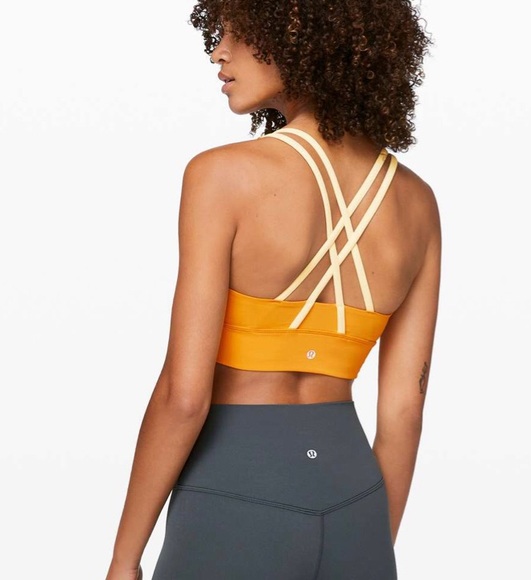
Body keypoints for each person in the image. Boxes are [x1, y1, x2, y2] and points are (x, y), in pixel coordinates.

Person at [106, 0, 438, 578]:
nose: (218, 52)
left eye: (237, 32)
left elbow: (184, 397)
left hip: (236, 493)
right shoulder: (418, 203)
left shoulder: (221, 175)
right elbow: (404, 412)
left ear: (299, 36)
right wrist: (367, 548)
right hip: (356, 502)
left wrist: (123, 560)